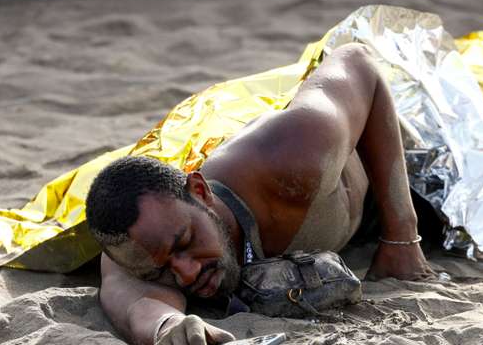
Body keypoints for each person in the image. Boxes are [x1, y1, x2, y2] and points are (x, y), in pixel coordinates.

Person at [85, 43, 435, 345]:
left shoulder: (290, 155)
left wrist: (401, 237)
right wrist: (171, 328)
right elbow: (137, 307)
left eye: (186, 241)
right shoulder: (136, 250)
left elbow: (359, 61)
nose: (187, 276)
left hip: (397, 152)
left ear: (200, 191)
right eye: (159, 272)